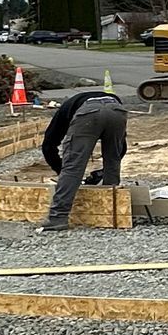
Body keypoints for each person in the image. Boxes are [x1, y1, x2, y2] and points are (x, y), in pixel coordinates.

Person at [40, 85, 128, 230]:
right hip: (116, 109)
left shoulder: (63, 112)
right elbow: (121, 149)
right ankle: (111, 214)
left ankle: (58, 218)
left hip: (89, 112)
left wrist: (61, 171)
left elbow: (48, 145)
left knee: (73, 166)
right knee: (113, 161)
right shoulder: (72, 106)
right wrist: (101, 172)